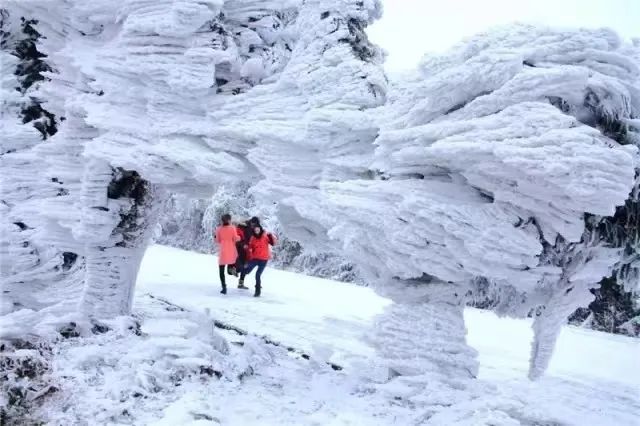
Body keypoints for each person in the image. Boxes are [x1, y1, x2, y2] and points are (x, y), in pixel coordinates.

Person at [239, 222, 276, 297]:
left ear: (260, 229)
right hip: (255, 258)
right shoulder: (253, 238)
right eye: (255, 230)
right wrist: (248, 248)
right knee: (246, 270)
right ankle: (241, 281)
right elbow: (250, 247)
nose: (257, 230)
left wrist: (271, 236)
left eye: (258, 229)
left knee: (258, 275)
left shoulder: (265, 236)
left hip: (264, 259)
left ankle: (257, 291)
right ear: (254, 231)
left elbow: (272, 243)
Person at [214, 214, 240, 294]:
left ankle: (224, 287)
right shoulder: (232, 228)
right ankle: (232, 270)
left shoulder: (218, 229)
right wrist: (240, 237)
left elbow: (217, 240)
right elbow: (235, 239)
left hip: (223, 252)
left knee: (221, 271)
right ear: (229, 220)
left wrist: (215, 236)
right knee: (230, 265)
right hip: (231, 250)